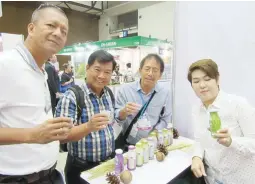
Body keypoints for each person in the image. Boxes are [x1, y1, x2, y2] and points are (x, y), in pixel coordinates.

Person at [0, 4, 72, 184]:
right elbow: (33, 133)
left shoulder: (42, 71)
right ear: (31, 28)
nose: (58, 33)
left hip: (49, 173)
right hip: (15, 178)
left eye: (64, 31)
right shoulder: (5, 65)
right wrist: (31, 135)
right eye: (51, 25)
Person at [189, 59, 255, 184]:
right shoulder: (196, 109)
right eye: (196, 81)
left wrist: (232, 141)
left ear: (217, 79)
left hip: (240, 180)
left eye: (207, 79)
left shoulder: (238, 105)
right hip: (211, 178)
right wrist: (196, 156)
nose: (202, 85)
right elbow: (199, 139)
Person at [55, 50, 117, 184]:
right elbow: (62, 136)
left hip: (108, 165)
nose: (102, 76)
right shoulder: (72, 96)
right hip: (80, 169)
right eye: (97, 69)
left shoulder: (109, 94)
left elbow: (110, 124)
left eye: (107, 72)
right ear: (87, 68)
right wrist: (88, 126)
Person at [115, 54, 172, 145]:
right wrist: (123, 112)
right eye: (147, 69)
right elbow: (116, 118)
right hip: (128, 144)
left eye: (155, 70)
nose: (150, 73)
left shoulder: (165, 93)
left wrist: (154, 134)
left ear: (160, 75)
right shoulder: (125, 90)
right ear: (140, 70)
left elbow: (166, 119)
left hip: (153, 145)